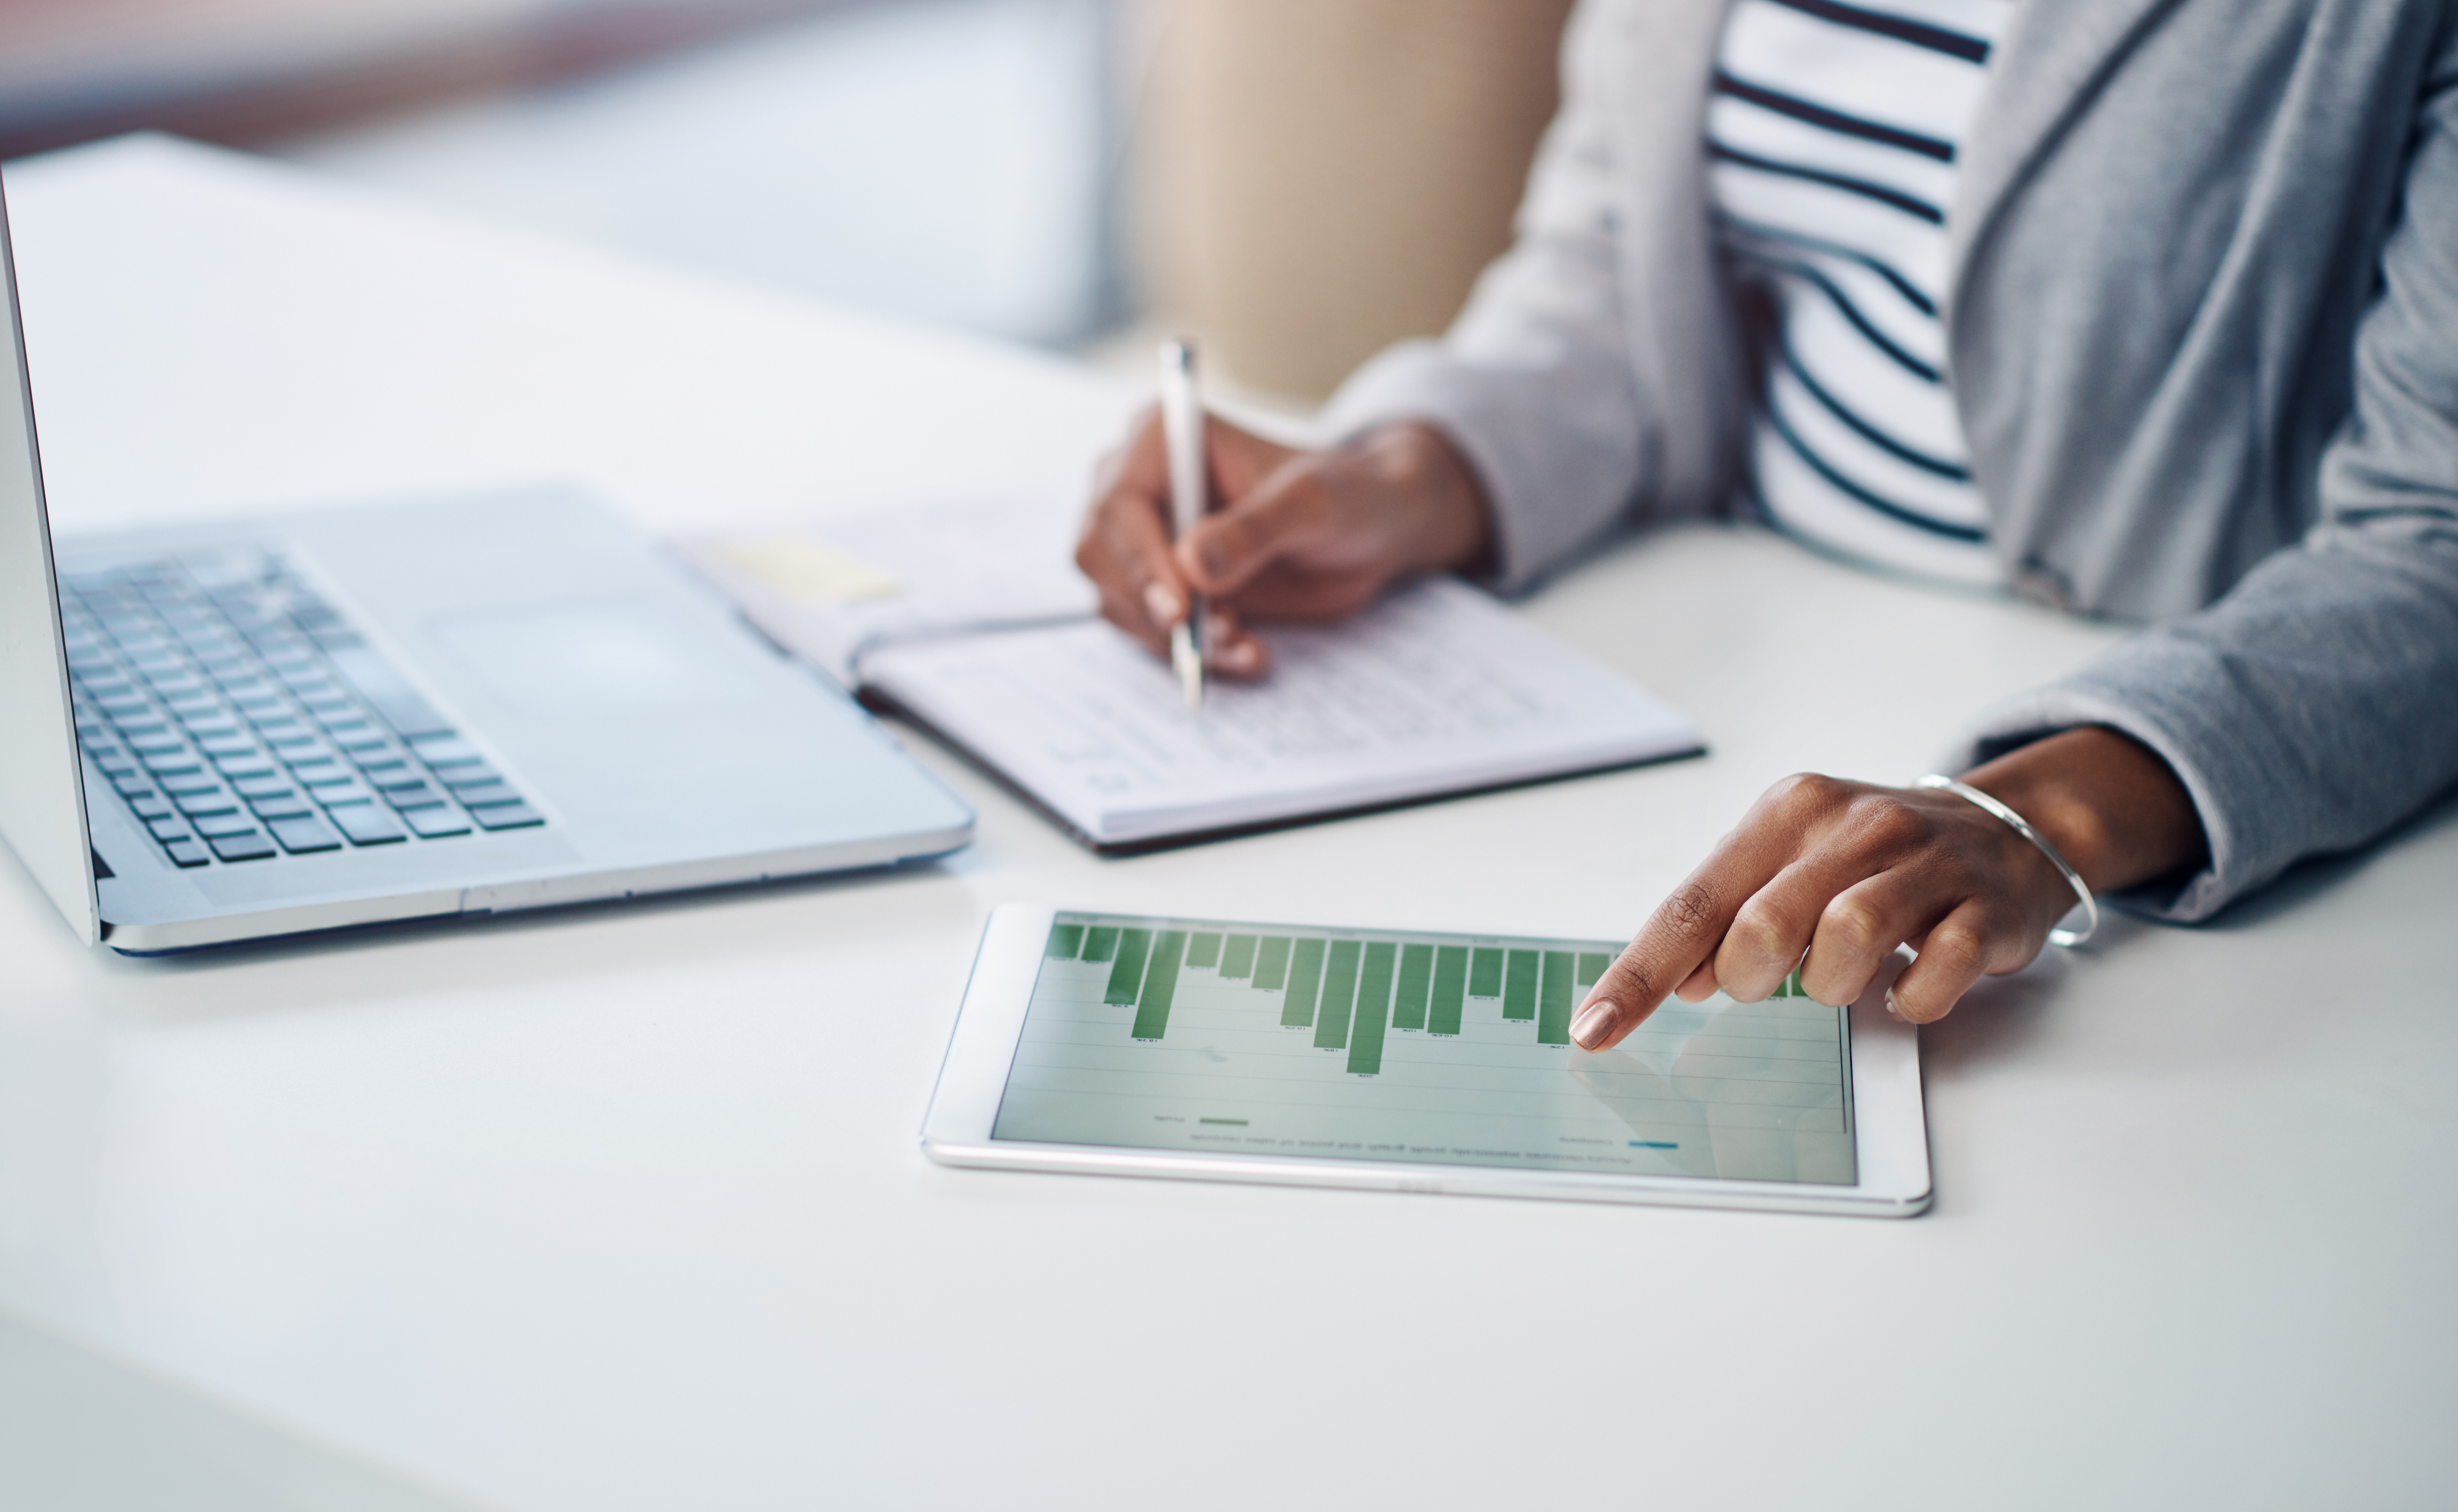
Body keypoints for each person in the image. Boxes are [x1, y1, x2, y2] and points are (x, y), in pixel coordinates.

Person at [1077, 0, 2458, 1048]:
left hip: (2234, 853)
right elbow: (1621, 278)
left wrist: (2042, 805)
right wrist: (1407, 467)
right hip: (1722, 667)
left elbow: (2433, 534)